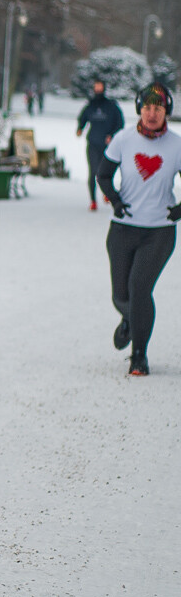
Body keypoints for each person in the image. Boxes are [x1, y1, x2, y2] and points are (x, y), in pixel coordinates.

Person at [95, 82, 181, 377]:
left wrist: (179, 209)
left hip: (159, 231)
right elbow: (103, 174)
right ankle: (130, 320)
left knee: (139, 288)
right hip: (122, 229)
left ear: (166, 110)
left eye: (158, 108)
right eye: (147, 107)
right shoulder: (123, 139)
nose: (152, 113)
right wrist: (116, 202)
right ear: (139, 109)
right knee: (120, 295)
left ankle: (139, 356)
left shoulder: (177, 145)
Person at [77, 79, 125, 211]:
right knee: (92, 172)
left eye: (100, 87)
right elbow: (83, 117)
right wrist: (80, 128)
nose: (97, 89)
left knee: (105, 172)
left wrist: (111, 134)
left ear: (104, 88)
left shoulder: (111, 106)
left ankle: (107, 193)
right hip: (93, 143)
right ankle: (93, 200)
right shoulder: (91, 105)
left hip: (107, 145)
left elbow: (120, 123)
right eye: (95, 87)